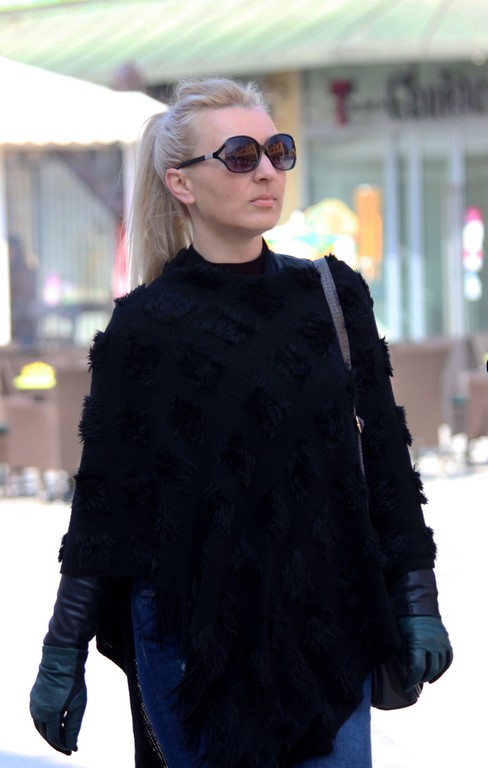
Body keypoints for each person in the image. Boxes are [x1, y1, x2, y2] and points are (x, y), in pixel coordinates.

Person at [29, 77, 452, 768]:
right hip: (189, 644)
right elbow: (105, 507)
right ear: (182, 184)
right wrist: (62, 651)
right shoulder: (143, 326)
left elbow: (386, 460)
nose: (266, 171)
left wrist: (417, 595)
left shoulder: (333, 296)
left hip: (329, 627)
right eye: (240, 155)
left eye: (276, 151)